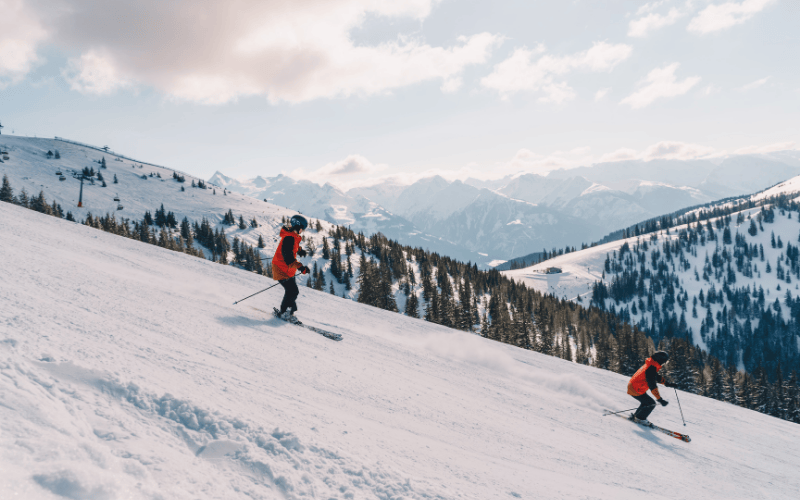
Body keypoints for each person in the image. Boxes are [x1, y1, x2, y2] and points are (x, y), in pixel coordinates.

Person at [272, 215, 310, 322]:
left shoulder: (292, 236)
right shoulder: (289, 238)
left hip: (286, 269)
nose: (302, 231)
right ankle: (284, 313)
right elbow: (288, 259)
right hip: (281, 269)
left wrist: (299, 250)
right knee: (292, 291)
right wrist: (301, 267)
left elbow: (293, 246)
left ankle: (287, 311)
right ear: (298, 227)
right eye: (302, 228)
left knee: (292, 291)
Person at [627, 351, 676, 423]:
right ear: (660, 360)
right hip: (635, 389)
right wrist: (660, 399)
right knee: (650, 403)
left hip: (635, 387)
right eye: (664, 361)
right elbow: (652, 386)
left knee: (646, 402)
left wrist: (667, 384)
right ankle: (639, 418)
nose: (664, 363)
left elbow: (656, 377)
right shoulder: (651, 368)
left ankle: (636, 416)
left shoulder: (651, 365)